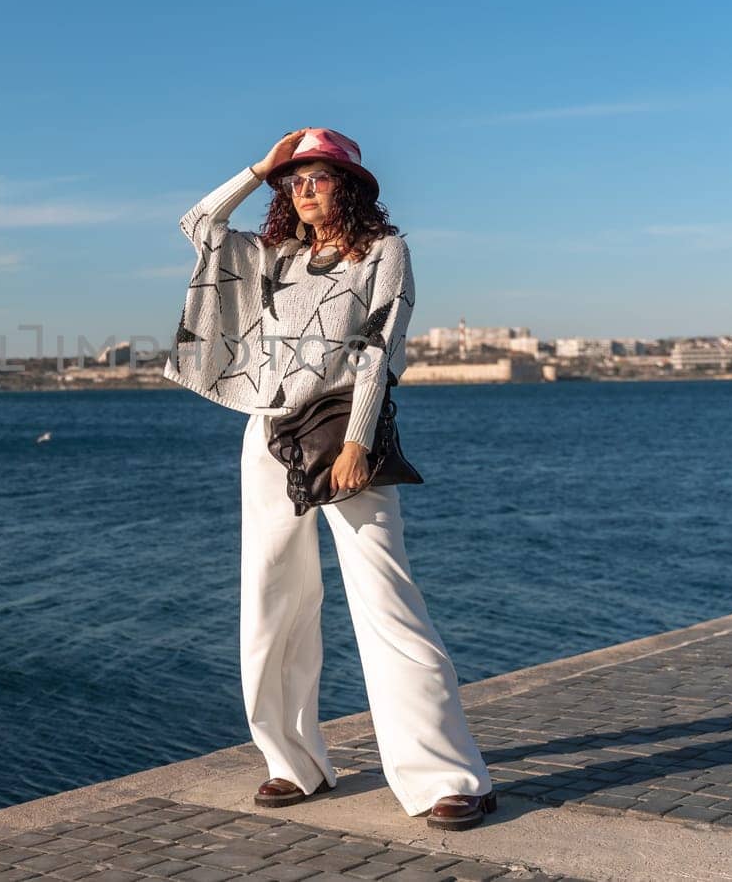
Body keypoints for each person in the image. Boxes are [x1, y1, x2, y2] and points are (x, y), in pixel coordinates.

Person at [162, 127, 497, 831]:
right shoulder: (277, 256)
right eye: (294, 181)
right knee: (272, 597)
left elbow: (380, 348)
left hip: (346, 434)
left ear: (350, 186)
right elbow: (199, 224)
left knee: (386, 598)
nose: (302, 189)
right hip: (267, 433)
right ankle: (293, 761)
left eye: (316, 176)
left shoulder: (384, 251)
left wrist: (357, 440)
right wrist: (262, 164)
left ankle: (450, 774)